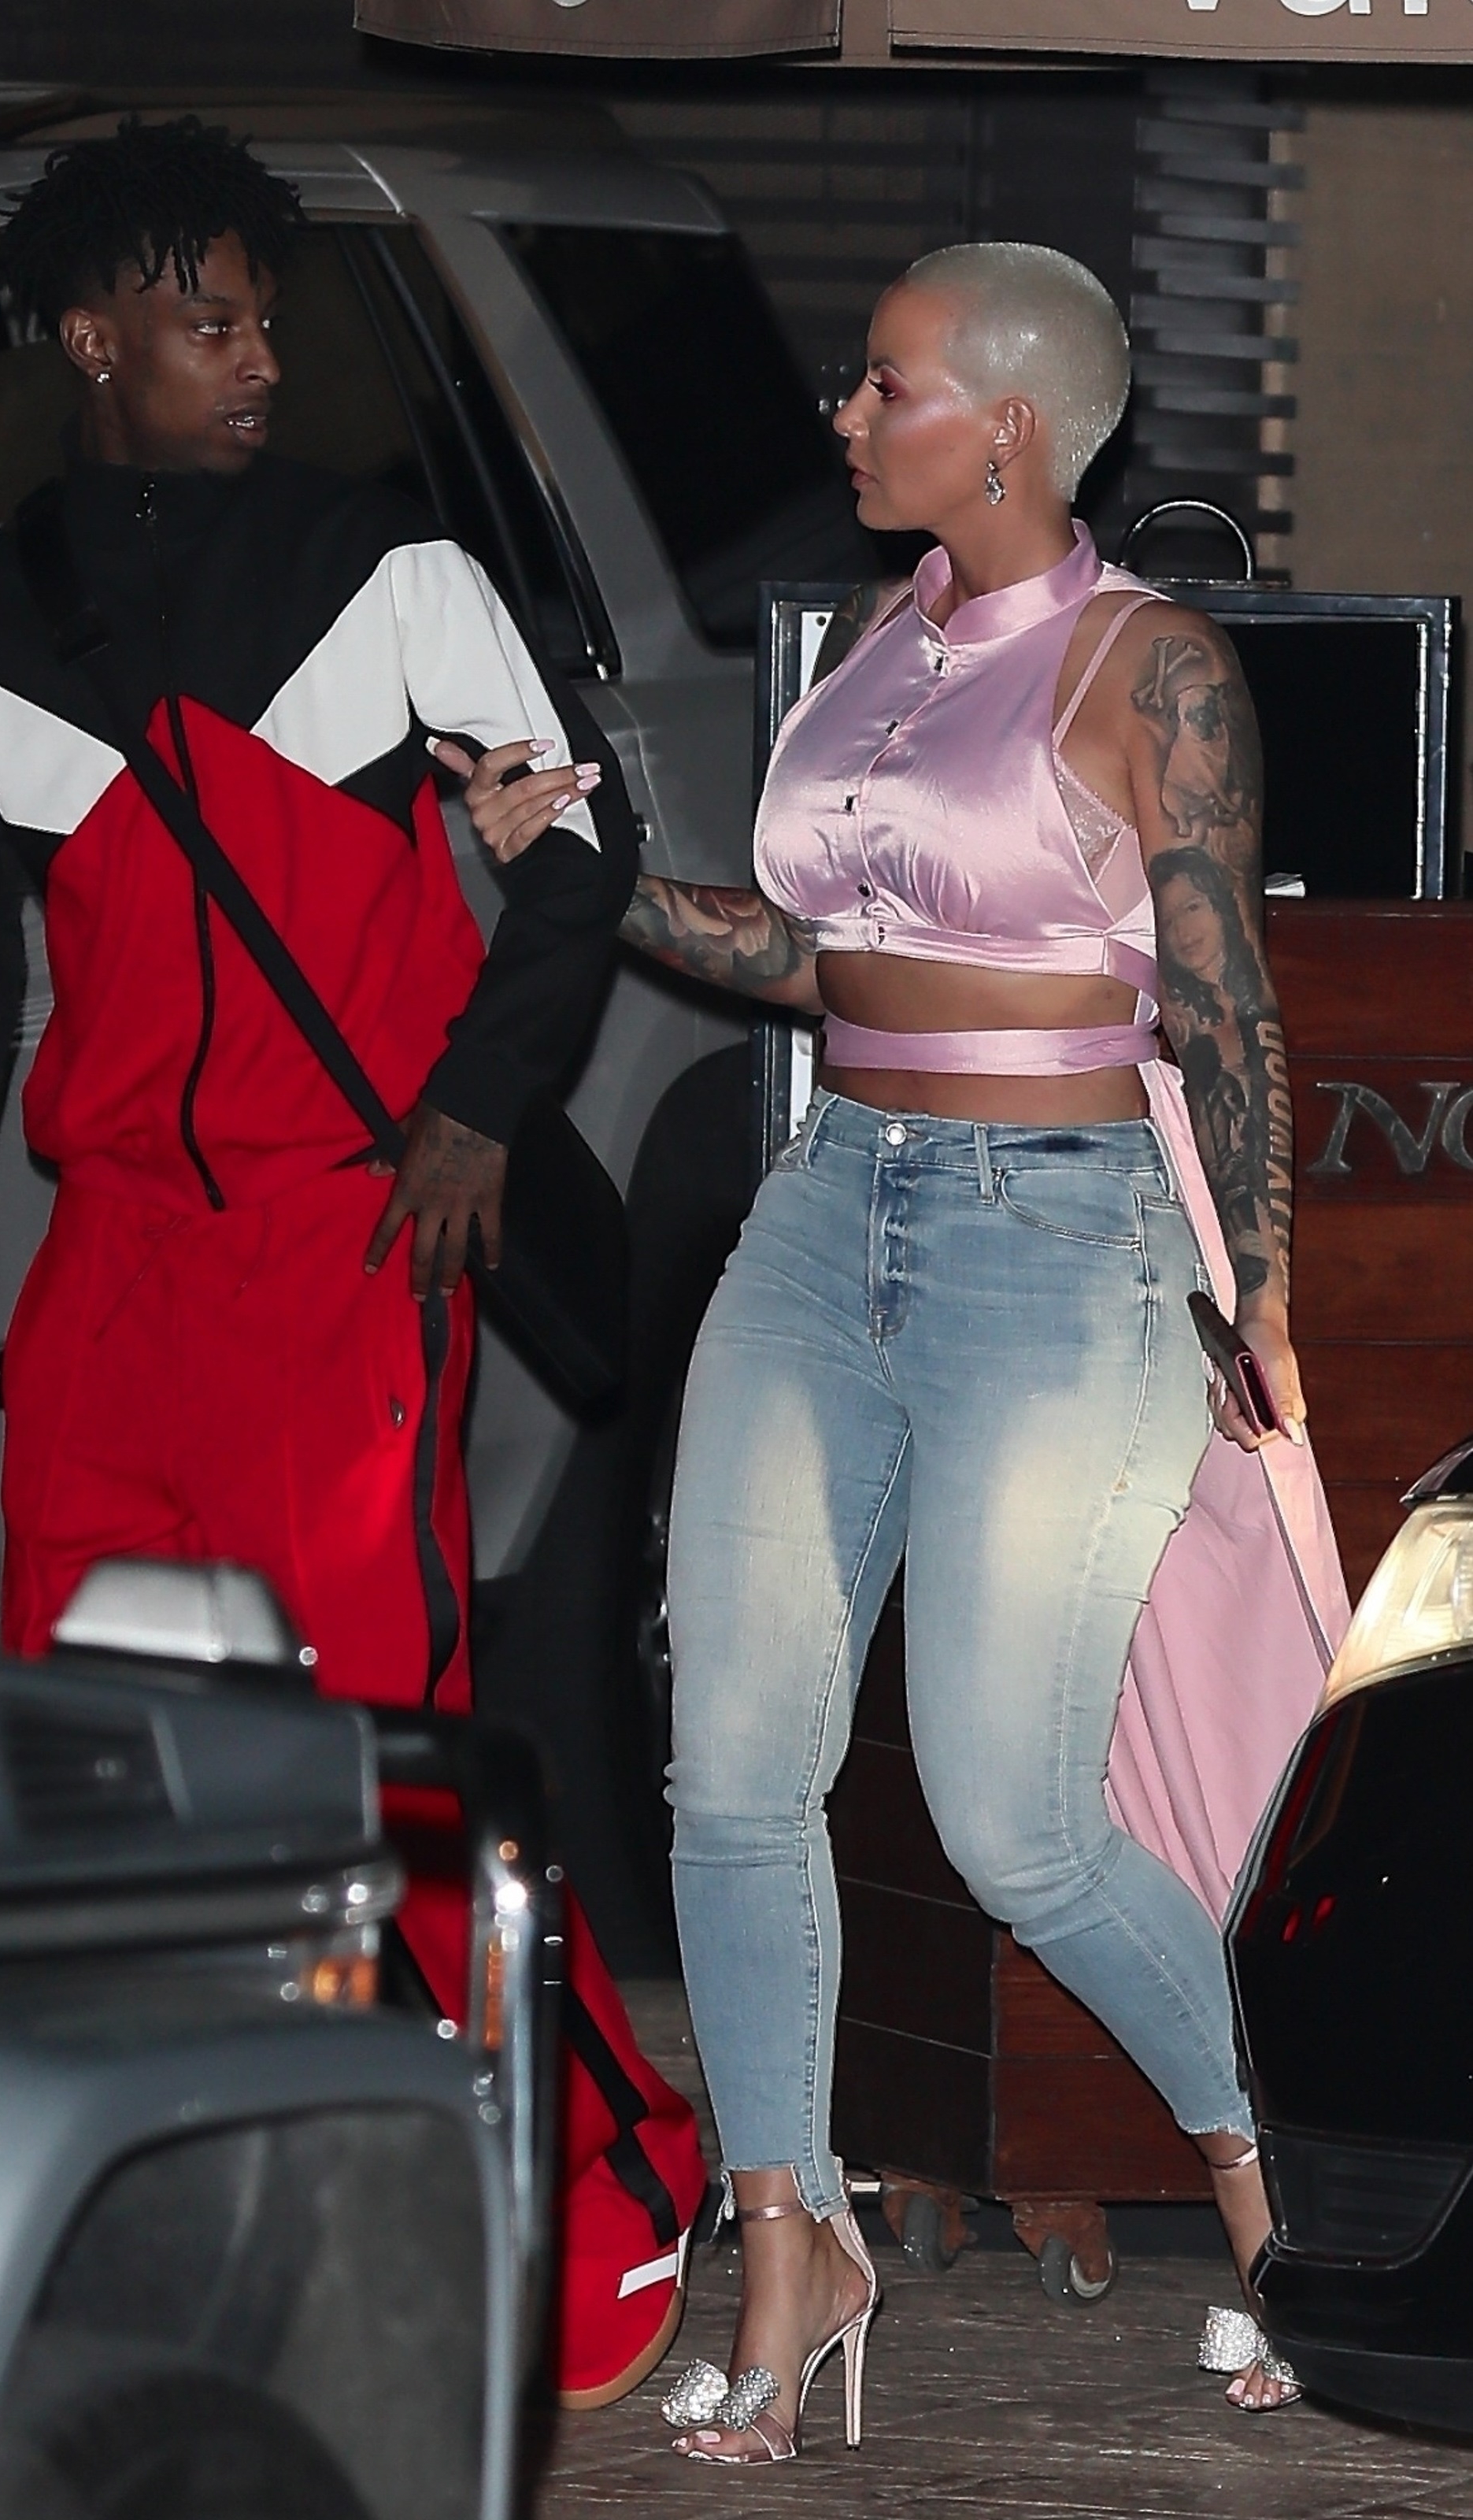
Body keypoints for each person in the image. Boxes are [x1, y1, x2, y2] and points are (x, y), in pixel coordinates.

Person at [446, 239, 1349, 2454]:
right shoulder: (876, 636)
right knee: (733, 1767)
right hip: (824, 1204)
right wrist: (585, 865)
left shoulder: (1154, 667)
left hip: (1065, 1239)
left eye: (886, 384)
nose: (845, 416)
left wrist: (1261, 1287)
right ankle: (793, 2252)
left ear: (1011, 424)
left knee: (1015, 1820)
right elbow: (813, 955)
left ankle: (1279, 2188)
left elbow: (1224, 997)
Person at [0, 116, 704, 2408]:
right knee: (84, 1754)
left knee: (378, 1748)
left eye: (264, 318)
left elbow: (574, 861)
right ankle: (134, 2233)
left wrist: (473, 1110)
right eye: (209, 322)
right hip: (114, 1264)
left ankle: (589, 2196)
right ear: (90, 341)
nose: (258, 359)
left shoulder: (385, 569)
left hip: (351, 1235)